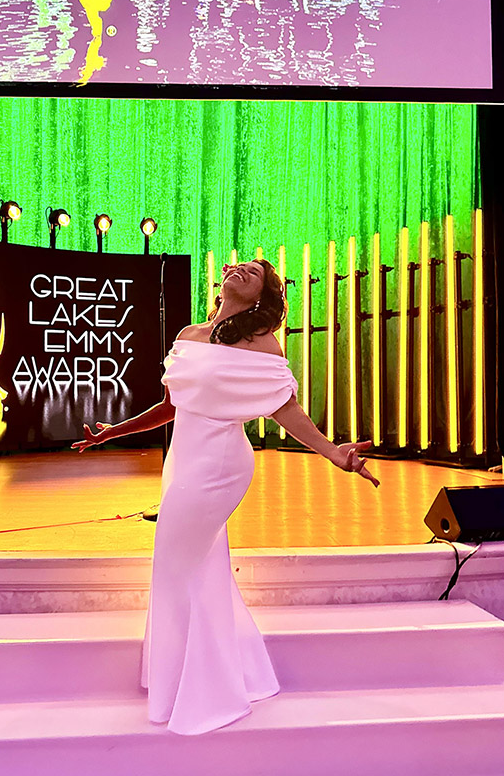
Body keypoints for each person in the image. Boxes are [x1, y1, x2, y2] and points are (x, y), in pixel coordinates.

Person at [72, 259, 380, 735]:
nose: (239, 269)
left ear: (262, 296)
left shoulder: (261, 343)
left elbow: (287, 409)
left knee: (175, 570)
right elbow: (171, 407)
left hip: (220, 466)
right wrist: (113, 433)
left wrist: (331, 453)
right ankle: (206, 675)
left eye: (254, 271)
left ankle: (204, 692)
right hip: (182, 461)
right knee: (194, 571)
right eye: (237, 264)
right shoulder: (190, 333)